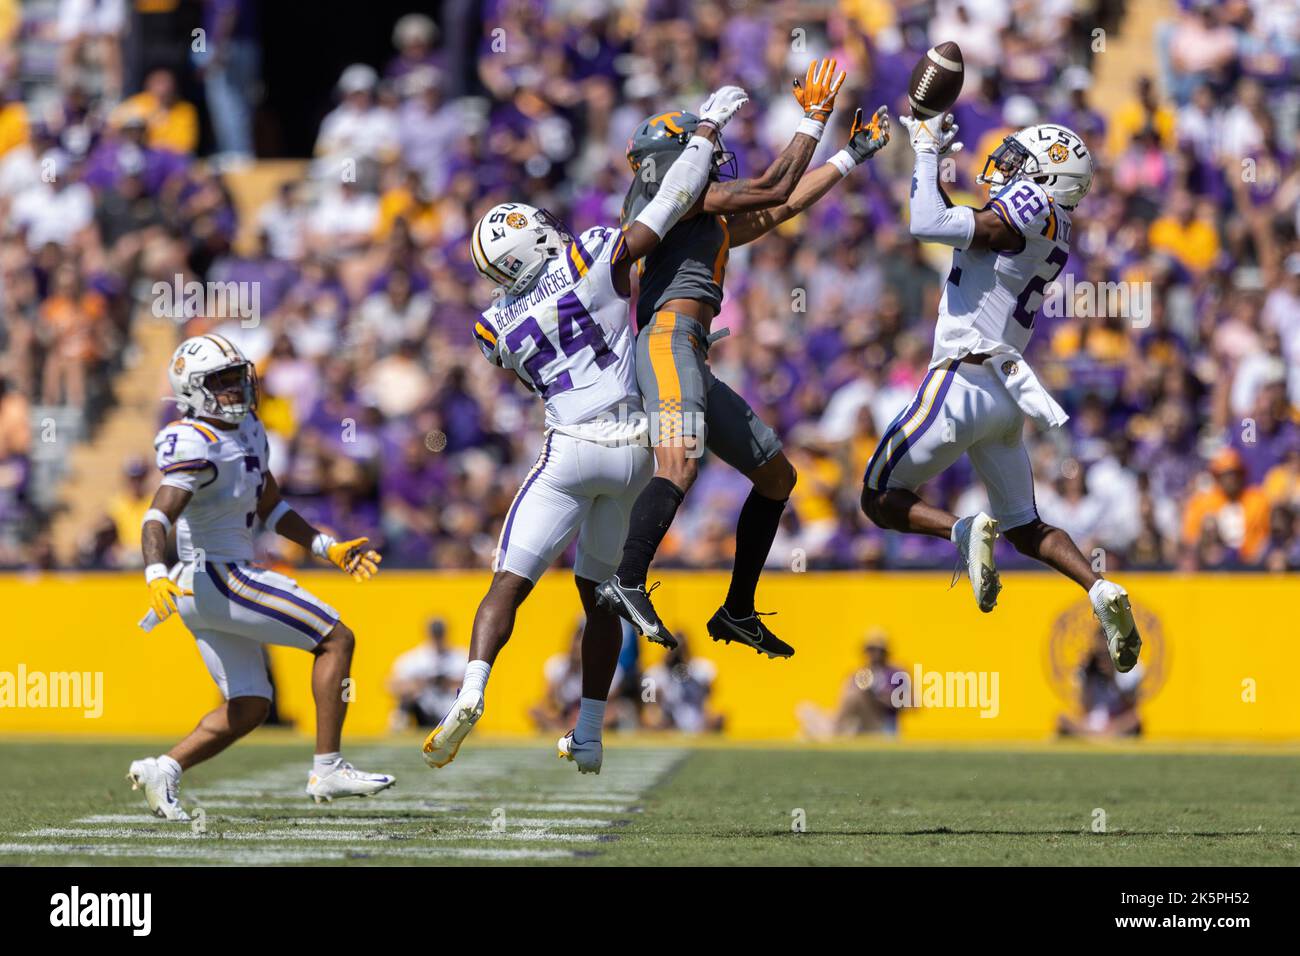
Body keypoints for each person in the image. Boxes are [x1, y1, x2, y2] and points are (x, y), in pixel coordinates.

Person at [421, 85, 749, 776]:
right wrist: (708, 129)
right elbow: (668, 204)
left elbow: (528, 340)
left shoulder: (491, 328)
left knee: (507, 583)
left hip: (570, 450)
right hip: (634, 449)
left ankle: (472, 691)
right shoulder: (590, 254)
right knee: (599, 595)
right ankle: (592, 731)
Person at [598, 59, 890, 659]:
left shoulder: (693, 217)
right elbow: (775, 186)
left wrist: (848, 158)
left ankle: (737, 609)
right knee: (678, 466)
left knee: (777, 477)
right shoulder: (671, 200)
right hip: (667, 339)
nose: (716, 160)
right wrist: (814, 119)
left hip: (691, 351)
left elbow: (780, 207)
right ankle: (626, 579)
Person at [859, 112, 1142, 674]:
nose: (1005, 167)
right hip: (1006, 393)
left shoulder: (1030, 209)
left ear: (1046, 180)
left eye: (1020, 162)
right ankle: (1096, 587)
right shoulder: (1056, 224)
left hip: (962, 376)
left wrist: (920, 150)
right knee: (1023, 524)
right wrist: (934, 161)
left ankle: (960, 530)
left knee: (876, 497)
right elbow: (959, 226)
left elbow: (926, 224)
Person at [130, 333, 393, 820]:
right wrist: (152, 572)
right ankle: (328, 766)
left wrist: (325, 547)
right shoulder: (194, 440)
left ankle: (164, 768)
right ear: (193, 390)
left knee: (250, 706)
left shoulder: (249, 428)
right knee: (336, 638)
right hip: (217, 575)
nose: (236, 389)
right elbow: (155, 518)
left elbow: (270, 507)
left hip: (208, 585)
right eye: (222, 382)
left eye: (237, 378)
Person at [385, 617, 466, 728]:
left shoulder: (460, 657)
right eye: (435, 634)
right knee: (404, 702)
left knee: (468, 702)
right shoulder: (414, 658)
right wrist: (421, 684)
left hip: (452, 713)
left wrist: (445, 682)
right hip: (424, 712)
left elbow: (472, 685)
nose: (437, 638)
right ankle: (398, 735)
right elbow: (390, 685)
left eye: (439, 634)